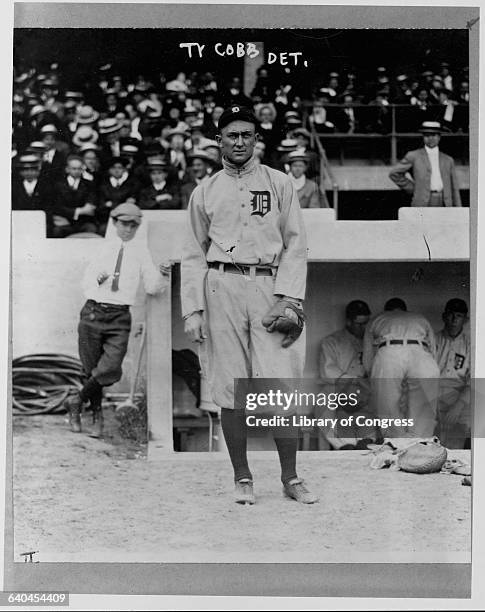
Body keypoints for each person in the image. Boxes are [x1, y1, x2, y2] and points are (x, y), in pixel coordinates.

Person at [181, 105, 317, 505]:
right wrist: (193, 310)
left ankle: (291, 478)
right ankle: (243, 477)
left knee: (279, 386)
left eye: (246, 134)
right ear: (218, 140)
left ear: (257, 138)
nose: (239, 142)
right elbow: (192, 253)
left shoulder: (279, 183)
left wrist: (289, 298)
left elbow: (296, 242)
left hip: (269, 286)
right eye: (231, 135)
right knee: (230, 386)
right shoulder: (204, 190)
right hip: (220, 284)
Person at [64, 202, 170, 437]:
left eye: (133, 225)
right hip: (93, 312)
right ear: (114, 223)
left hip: (120, 317)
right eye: (124, 224)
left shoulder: (142, 253)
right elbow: (86, 284)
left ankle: (76, 400)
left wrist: (163, 274)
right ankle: (97, 417)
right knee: (90, 369)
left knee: (110, 368)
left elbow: (152, 288)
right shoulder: (101, 248)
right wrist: (98, 280)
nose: (128, 230)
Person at [363, 298, 440, 442]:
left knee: (387, 404)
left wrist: (372, 375)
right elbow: (433, 349)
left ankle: (396, 443)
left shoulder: (378, 319)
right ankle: (421, 444)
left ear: (387, 311)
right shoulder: (420, 318)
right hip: (420, 352)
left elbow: (368, 357)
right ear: (405, 310)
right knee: (424, 406)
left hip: (389, 352)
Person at [318, 300, 380, 449]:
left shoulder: (374, 342)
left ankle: (367, 442)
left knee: (382, 398)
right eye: (360, 324)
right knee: (324, 400)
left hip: (365, 387)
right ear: (348, 322)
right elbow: (328, 372)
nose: (364, 328)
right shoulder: (332, 341)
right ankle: (342, 445)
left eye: (366, 323)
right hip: (340, 386)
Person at [389, 121, 462, 207]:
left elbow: (454, 188)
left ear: (439, 137)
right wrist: (414, 188)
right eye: (427, 135)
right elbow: (394, 173)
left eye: (434, 135)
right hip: (422, 201)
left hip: (444, 201)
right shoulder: (414, 156)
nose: (430, 138)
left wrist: (459, 208)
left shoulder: (448, 160)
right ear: (423, 137)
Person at [435, 299, 471, 449]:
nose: (454, 319)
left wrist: (458, 406)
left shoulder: (471, 343)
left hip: (459, 394)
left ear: (465, 319)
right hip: (432, 393)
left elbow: (473, 380)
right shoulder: (433, 339)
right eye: (450, 314)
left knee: (460, 430)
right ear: (444, 316)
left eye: (459, 315)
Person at [51, 154, 98, 237]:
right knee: (57, 231)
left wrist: (85, 210)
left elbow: (90, 207)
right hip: (64, 221)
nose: (76, 171)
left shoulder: (89, 184)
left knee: (91, 229)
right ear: (67, 169)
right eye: (74, 168)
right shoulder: (58, 184)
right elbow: (57, 206)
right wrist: (78, 211)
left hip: (83, 222)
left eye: (79, 169)